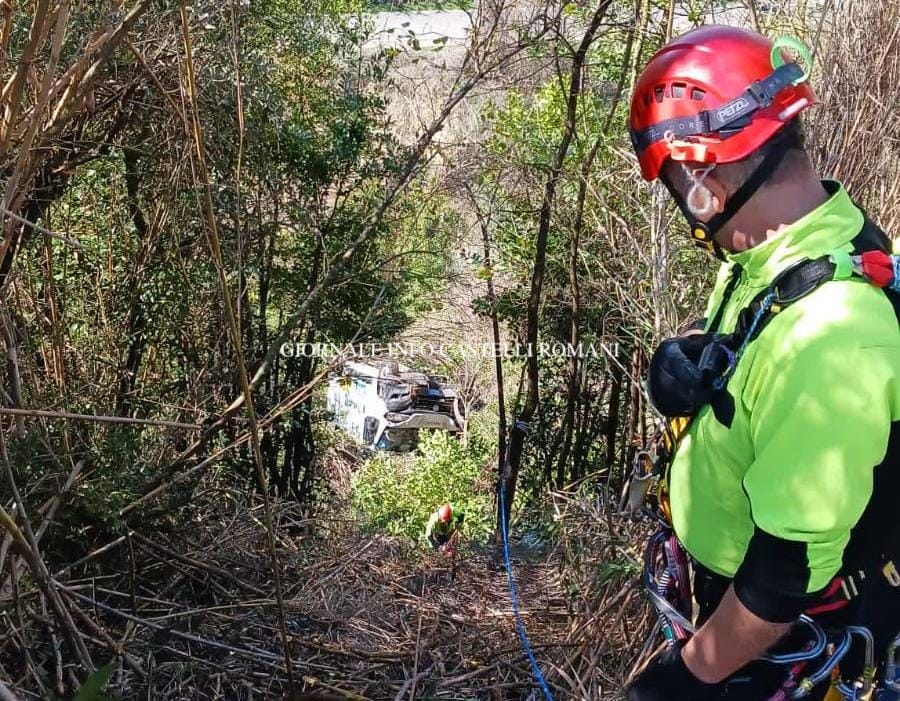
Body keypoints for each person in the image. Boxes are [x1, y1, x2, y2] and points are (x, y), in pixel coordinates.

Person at [625, 25, 900, 701]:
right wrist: (685, 352)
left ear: (701, 184)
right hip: (729, 596)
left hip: (774, 637)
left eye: (673, 184)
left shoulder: (832, 340)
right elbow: (751, 320)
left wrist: (690, 677)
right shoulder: (790, 245)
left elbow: (783, 576)